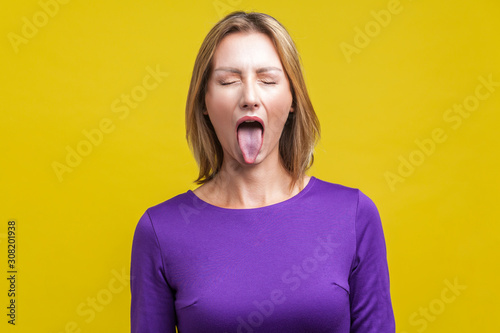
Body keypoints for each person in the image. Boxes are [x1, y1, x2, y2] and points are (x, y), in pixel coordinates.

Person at [130, 11, 395, 333]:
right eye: (229, 81)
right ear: (204, 102)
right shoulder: (160, 230)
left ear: (293, 98)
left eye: (268, 80)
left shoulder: (353, 215)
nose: (250, 98)